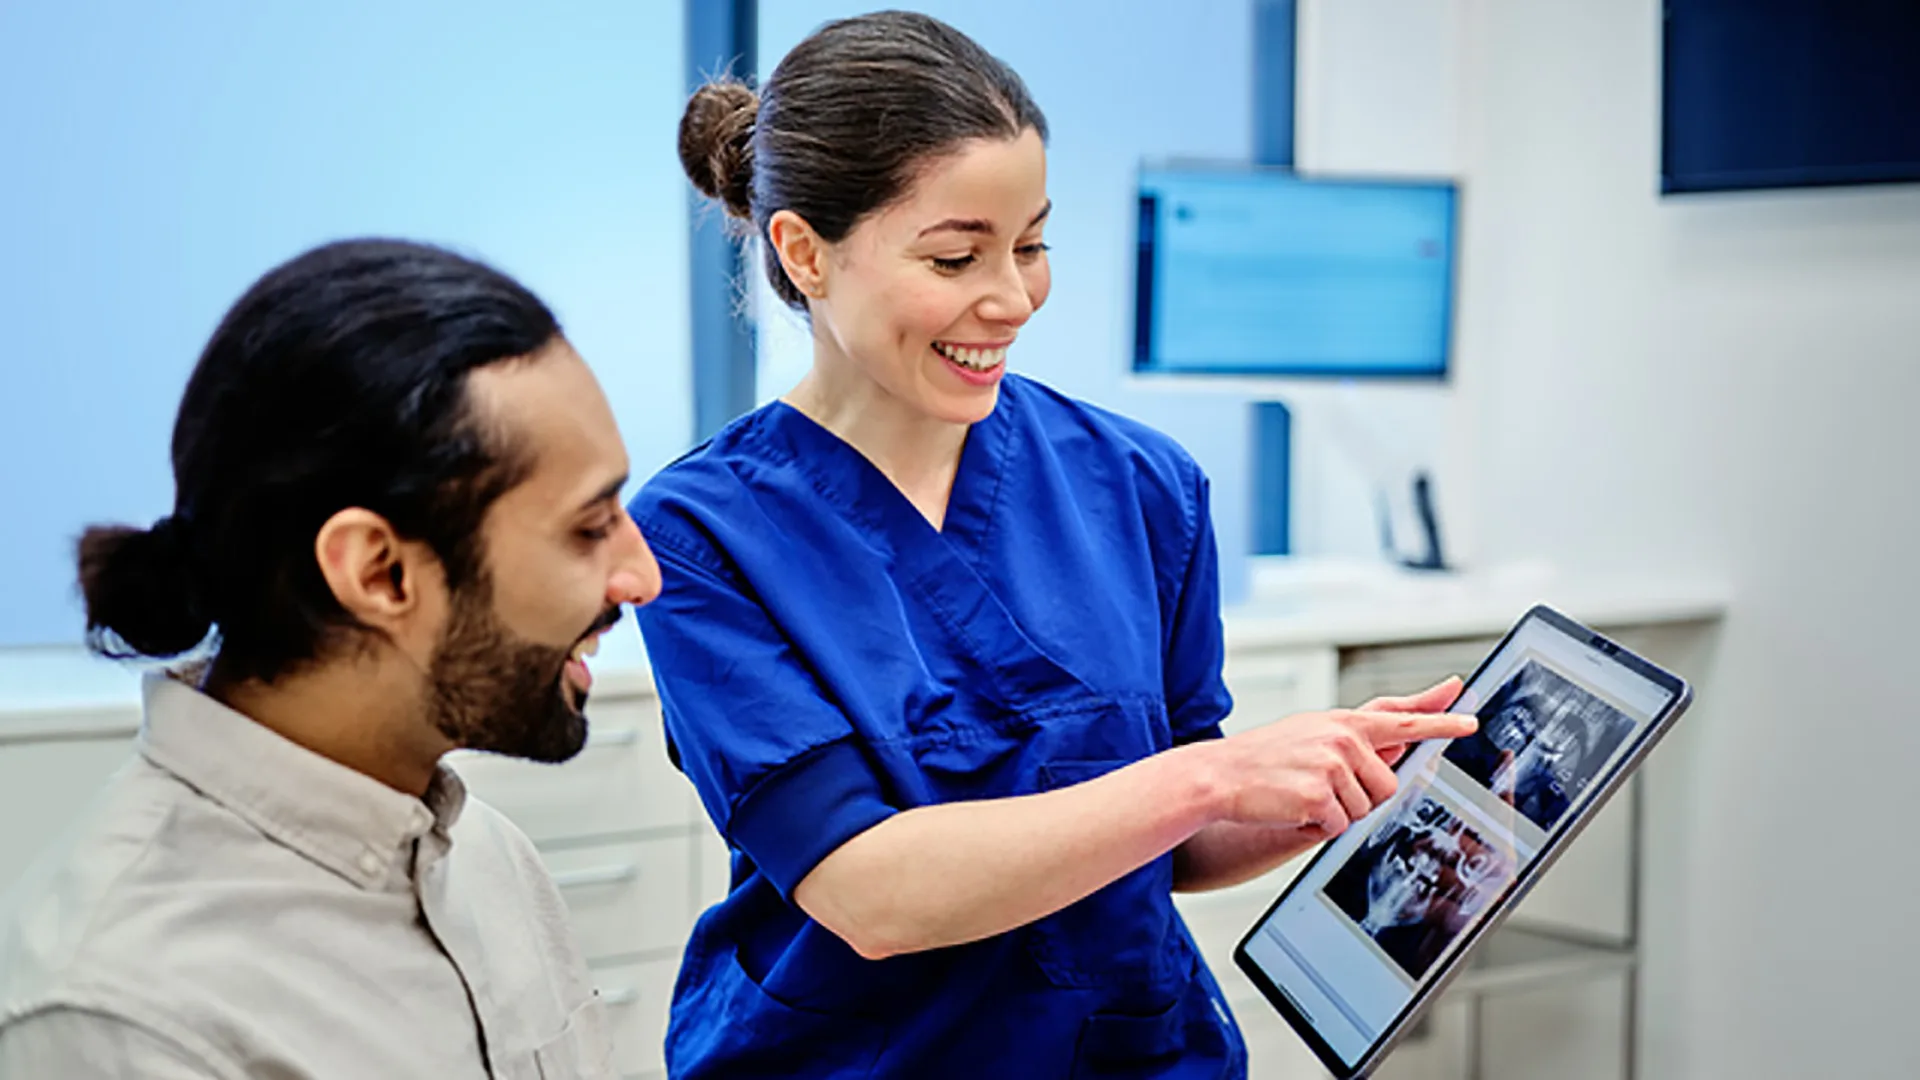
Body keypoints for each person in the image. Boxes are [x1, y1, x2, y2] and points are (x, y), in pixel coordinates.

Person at [631, 12, 1476, 1078]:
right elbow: (870, 890)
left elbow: (1169, 849)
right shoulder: (703, 536)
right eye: (955, 255)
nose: (1011, 297)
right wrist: (1211, 779)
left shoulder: (1141, 485)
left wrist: (1332, 785)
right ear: (805, 252)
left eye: (1032, 244)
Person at [0, 239, 660, 1078]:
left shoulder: (492, 864)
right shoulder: (121, 1013)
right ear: (378, 572)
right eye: (588, 527)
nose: (642, 576)